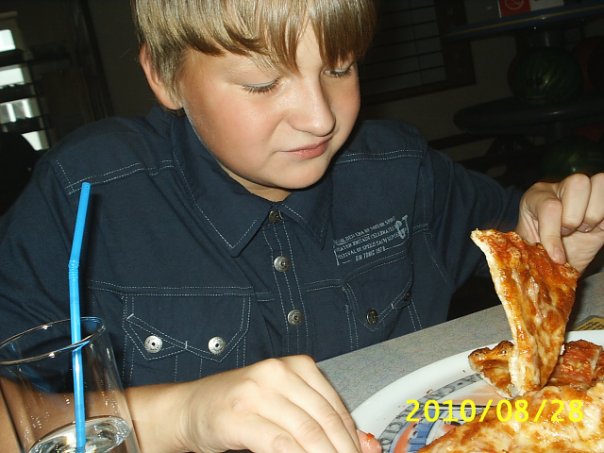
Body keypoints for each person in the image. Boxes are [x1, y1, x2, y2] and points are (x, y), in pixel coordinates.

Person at [0, 0, 603, 451]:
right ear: (165, 76)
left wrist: (555, 241)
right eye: (263, 83)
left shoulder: (402, 168)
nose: (320, 119)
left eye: (340, 68)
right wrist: (183, 415)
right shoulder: (86, 192)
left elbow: (523, 242)